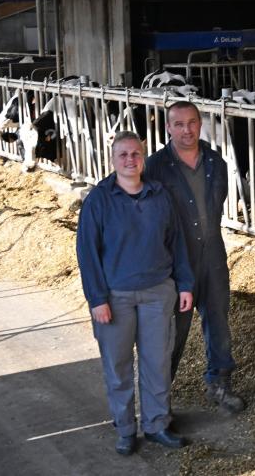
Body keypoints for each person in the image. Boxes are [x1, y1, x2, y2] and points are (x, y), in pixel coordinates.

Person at [76, 131, 195, 456]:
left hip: (158, 292)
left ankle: (157, 425)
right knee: (118, 365)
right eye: (123, 155)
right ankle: (126, 429)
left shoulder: (160, 195)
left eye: (136, 154)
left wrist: (184, 284)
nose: (130, 160)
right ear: (113, 160)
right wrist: (97, 299)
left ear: (143, 158)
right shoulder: (99, 200)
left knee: (157, 362)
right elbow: (87, 254)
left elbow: (178, 243)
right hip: (116, 297)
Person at [144, 101, 245, 414]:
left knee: (219, 323)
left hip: (212, 255)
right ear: (168, 128)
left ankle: (220, 384)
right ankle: (157, 400)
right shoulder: (155, 167)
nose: (186, 130)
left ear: (200, 124)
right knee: (172, 331)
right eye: (179, 124)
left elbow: (216, 208)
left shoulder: (216, 162)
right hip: (175, 263)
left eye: (192, 122)